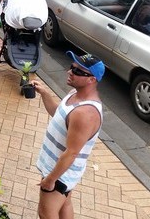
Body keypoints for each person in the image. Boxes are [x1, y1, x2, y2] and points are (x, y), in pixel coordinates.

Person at [32, 51, 105, 219]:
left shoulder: (85, 113)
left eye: (78, 71)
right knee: (65, 204)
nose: (70, 72)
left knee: (45, 213)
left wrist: (50, 180)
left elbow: (71, 152)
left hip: (60, 174)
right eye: (72, 67)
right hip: (60, 170)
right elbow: (59, 114)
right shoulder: (74, 94)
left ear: (92, 79)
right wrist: (45, 93)